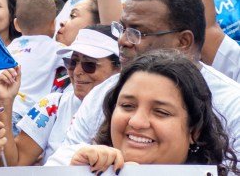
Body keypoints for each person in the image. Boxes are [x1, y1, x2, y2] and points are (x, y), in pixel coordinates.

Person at [61, 0, 240, 158]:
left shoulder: (232, 105)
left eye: (137, 32)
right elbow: (64, 159)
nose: (122, 41)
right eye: (127, 106)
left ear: (183, 41)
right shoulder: (102, 93)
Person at [48, 51, 238, 176]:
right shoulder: (73, 159)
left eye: (161, 112)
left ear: (194, 130)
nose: (137, 122)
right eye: (127, 106)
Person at [0, 25, 120, 166]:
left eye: (89, 65)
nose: (76, 71)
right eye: (72, 62)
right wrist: (5, 102)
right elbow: (13, 164)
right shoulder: (52, 106)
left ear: (119, 68)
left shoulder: (130, 114)